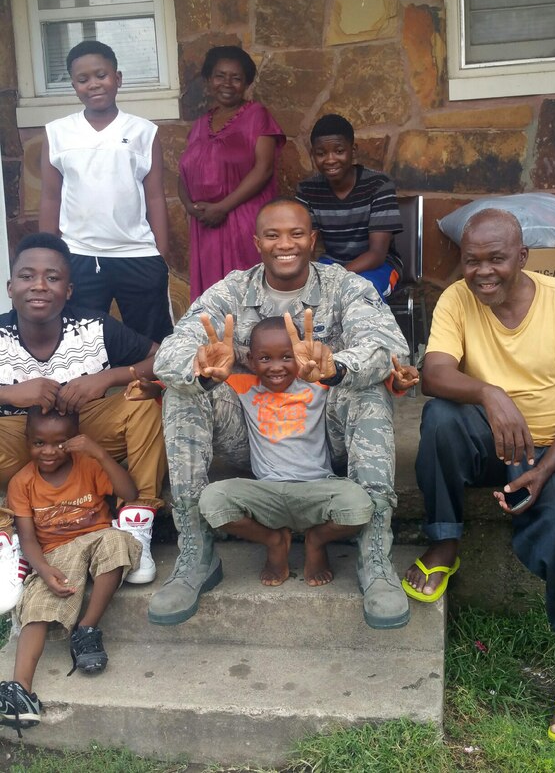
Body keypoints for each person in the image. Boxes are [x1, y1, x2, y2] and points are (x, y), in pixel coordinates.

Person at [149, 198, 416, 630]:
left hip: (327, 431)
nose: (284, 245)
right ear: (257, 243)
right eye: (273, 235)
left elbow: (389, 348)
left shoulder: (343, 287)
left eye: (295, 234)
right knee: (183, 394)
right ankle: (195, 554)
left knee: (368, 390)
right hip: (252, 434)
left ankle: (375, 560)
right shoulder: (233, 291)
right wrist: (199, 369)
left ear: (313, 240)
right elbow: (173, 350)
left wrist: (337, 368)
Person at [403, 208, 555, 745]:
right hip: (491, 437)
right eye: (472, 260)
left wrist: (543, 469)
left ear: (523, 258)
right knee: (443, 418)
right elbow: (433, 374)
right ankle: (445, 542)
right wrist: (489, 394)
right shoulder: (456, 298)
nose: (483, 272)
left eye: (497, 258)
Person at [0, 233, 166, 584]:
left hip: (84, 437)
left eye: (53, 277)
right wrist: (9, 395)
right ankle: (5, 541)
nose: (40, 286)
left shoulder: (94, 326)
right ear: (10, 286)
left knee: (141, 402)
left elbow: (163, 356)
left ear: (70, 290)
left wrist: (110, 378)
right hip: (18, 443)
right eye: (27, 276)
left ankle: (137, 519)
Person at [198, 315, 384, 586]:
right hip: (266, 494)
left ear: (299, 355)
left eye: (287, 357)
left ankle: (316, 540)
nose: (276, 367)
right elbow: (192, 386)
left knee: (360, 504)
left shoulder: (318, 383)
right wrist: (152, 387)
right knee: (211, 501)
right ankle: (273, 540)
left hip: (318, 488)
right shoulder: (242, 385)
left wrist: (398, 383)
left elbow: (363, 379)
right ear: (250, 361)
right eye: (265, 359)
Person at [0, 408, 142, 734]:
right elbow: (28, 538)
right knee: (37, 603)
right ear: (26, 442)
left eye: (59, 443)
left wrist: (100, 453)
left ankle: (86, 630)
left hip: (96, 537)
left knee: (117, 542)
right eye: (39, 443)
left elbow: (130, 494)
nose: (49, 451)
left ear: (75, 440)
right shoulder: (22, 482)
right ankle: (21, 690)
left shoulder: (89, 465)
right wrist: (44, 570)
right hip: (55, 552)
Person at [39, 39, 173, 344]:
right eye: (83, 80)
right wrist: (48, 255)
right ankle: (88, 393)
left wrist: (160, 254)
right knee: (78, 342)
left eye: (101, 75)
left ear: (118, 78)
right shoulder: (57, 133)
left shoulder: (143, 131)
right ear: (73, 86)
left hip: (137, 253)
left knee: (151, 342)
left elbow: (154, 196)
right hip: (79, 254)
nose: (94, 85)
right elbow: (50, 197)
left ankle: (152, 392)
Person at [178, 45, 286, 299]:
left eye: (236, 78)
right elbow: (183, 173)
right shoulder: (199, 125)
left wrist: (222, 207)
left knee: (249, 297)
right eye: (220, 76)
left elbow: (264, 169)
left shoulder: (257, 115)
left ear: (247, 83)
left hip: (243, 223)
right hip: (206, 227)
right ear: (208, 80)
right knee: (214, 300)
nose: (227, 83)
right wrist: (189, 206)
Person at [296, 114, 403, 298]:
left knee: (360, 294)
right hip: (331, 264)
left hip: (378, 267)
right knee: (304, 295)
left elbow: (377, 254)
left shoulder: (379, 185)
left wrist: (338, 278)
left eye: (339, 151)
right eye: (321, 154)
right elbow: (306, 245)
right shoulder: (307, 190)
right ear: (313, 155)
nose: (330, 160)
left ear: (353, 151)